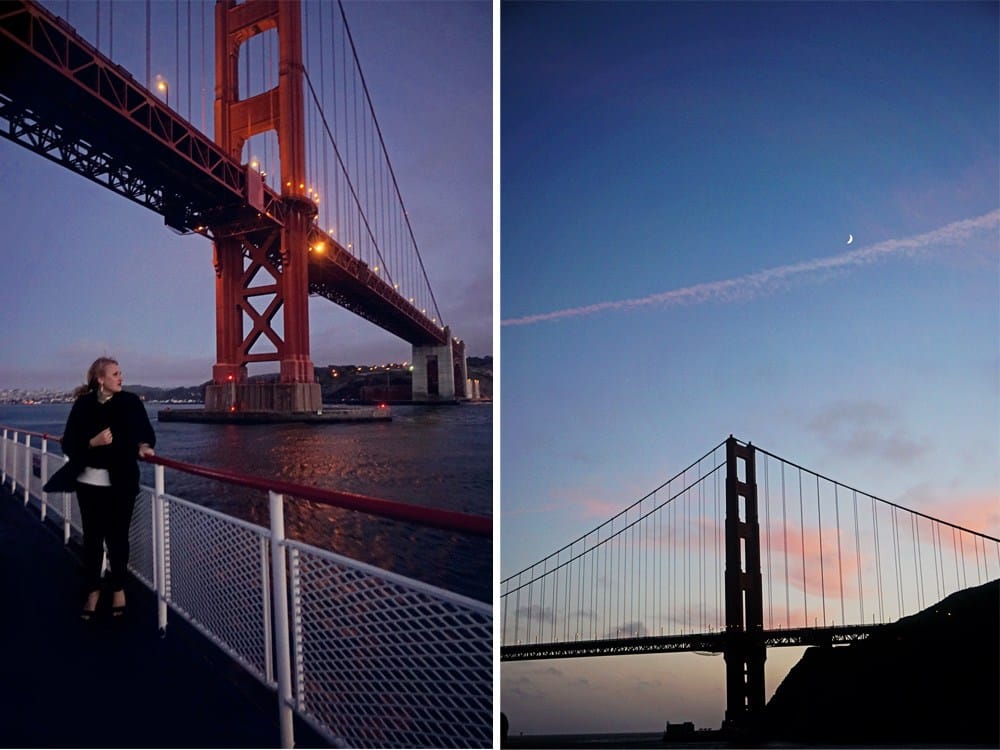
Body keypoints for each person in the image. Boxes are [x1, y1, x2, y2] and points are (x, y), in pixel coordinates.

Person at [61, 357, 156, 620]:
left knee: (118, 539)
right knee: (92, 540)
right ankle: (92, 590)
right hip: (89, 484)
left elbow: (146, 432)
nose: (120, 377)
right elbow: (68, 443)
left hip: (121, 483)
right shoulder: (83, 405)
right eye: (115, 374)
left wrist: (144, 446)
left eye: (121, 373)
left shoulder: (131, 402)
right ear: (100, 379)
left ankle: (118, 588)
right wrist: (92, 442)